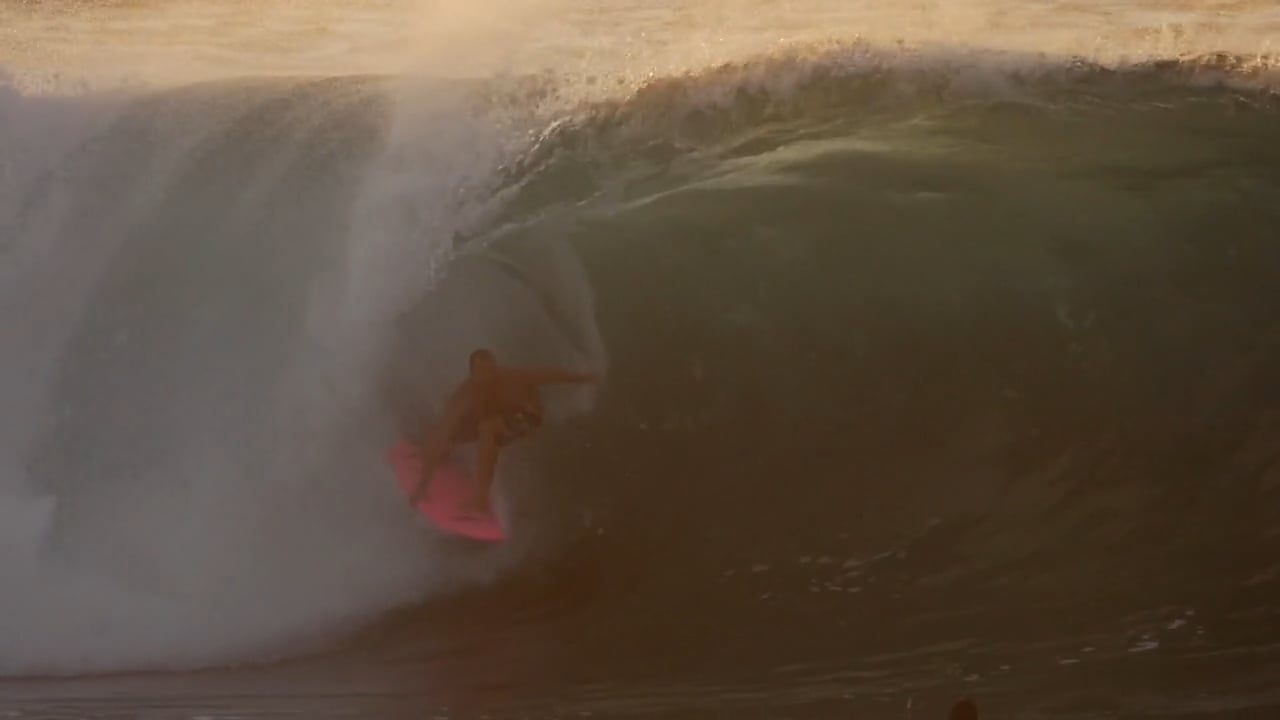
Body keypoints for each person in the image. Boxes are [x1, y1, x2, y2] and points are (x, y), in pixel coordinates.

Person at [410, 348, 598, 513]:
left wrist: (585, 378)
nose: (489, 375)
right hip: (493, 418)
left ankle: (479, 502)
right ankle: (440, 455)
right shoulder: (466, 393)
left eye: (491, 369)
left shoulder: (512, 377)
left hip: (526, 418)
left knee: (487, 429)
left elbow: (551, 376)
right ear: (472, 373)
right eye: (482, 372)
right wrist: (422, 485)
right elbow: (445, 427)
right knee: (449, 429)